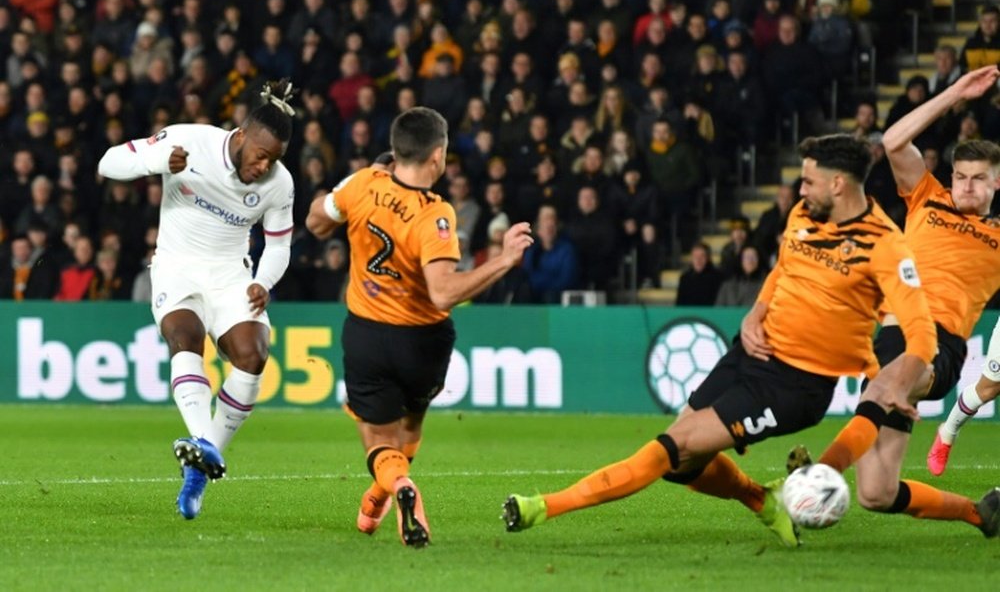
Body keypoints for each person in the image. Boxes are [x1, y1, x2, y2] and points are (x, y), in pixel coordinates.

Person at [502, 134, 937, 547]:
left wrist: (901, 382)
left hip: (794, 385)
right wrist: (756, 312)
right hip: (751, 353)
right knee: (683, 467)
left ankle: (544, 507)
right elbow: (783, 270)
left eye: (808, 180)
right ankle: (762, 500)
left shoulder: (885, 246)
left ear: (838, 183)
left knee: (670, 450)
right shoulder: (806, 214)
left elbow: (922, 332)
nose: (801, 189)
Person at [305, 107, 533, 548]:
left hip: (367, 333)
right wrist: (503, 260)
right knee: (409, 427)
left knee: (376, 437)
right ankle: (378, 497)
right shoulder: (435, 215)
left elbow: (316, 221)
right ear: (437, 157)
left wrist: (345, 192)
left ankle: (394, 487)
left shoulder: (362, 183)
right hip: (424, 342)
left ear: (395, 149)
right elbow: (444, 293)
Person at [791, 66, 1000, 538]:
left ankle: (815, 476)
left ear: (995, 185)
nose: (967, 186)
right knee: (877, 494)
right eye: (961, 177)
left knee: (882, 390)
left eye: (979, 179)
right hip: (891, 332)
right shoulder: (928, 197)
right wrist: (955, 93)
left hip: (937, 345)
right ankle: (981, 513)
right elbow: (892, 142)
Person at [97, 80, 297, 520]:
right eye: (261, 155)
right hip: (177, 266)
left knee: (253, 354)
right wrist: (153, 161)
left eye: (275, 159)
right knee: (185, 337)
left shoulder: (280, 184)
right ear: (240, 136)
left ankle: (201, 462)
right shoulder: (188, 140)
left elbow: (279, 245)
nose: (264, 167)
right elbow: (108, 162)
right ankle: (204, 453)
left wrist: (263, 280)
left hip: (231, 275)